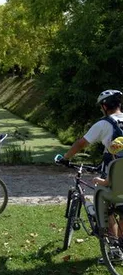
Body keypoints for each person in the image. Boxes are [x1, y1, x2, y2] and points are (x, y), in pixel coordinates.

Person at [57, 89, 123, 262]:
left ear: (104, 106)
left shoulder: (104, 124)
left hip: (114, 176)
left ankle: (115, 250)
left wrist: (65, 158)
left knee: (106, 208)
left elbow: (81, 143)